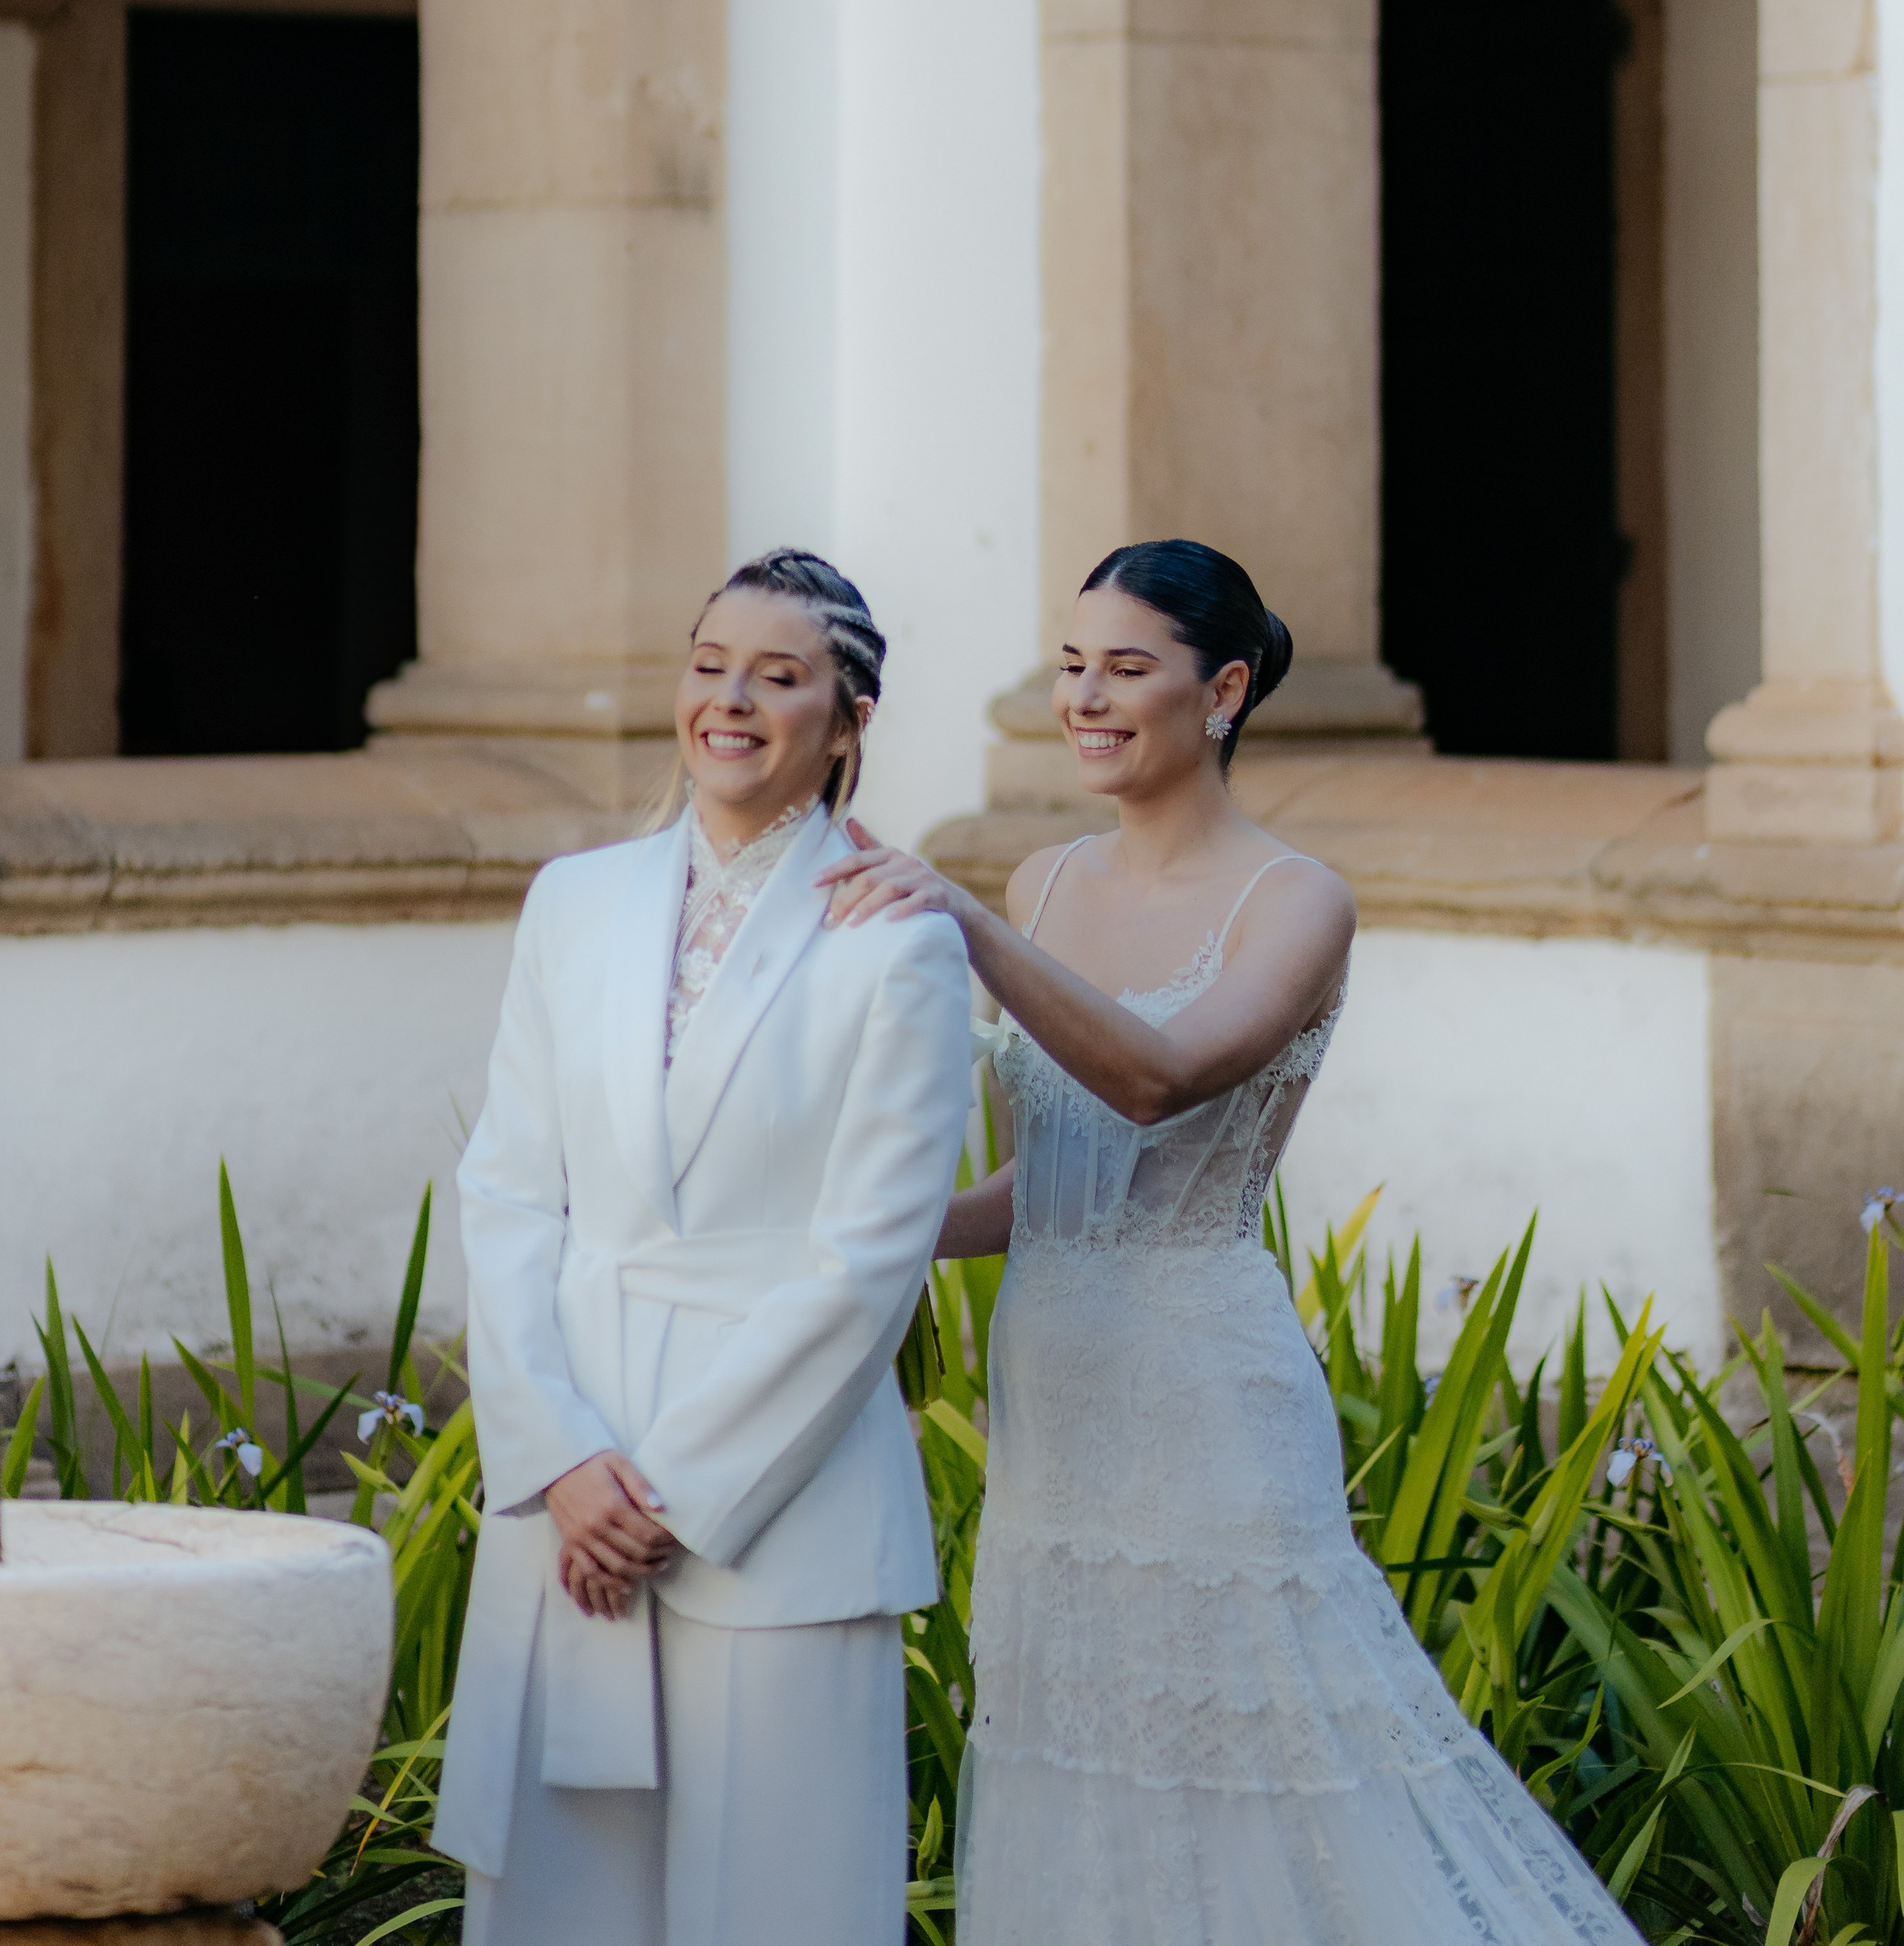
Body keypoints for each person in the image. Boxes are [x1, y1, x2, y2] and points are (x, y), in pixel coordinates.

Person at [820, 537, 1642, 1946]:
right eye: (1072, 665)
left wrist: (957, 919)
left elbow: (1157, 1080)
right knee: (1085, 1777)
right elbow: (1057, 1181)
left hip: (1207, 1399)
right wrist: (862, 1232)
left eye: (1126, 668)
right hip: (1055, 1403)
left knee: (1263, 1779)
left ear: (1224, 691)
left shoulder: (1296, 900)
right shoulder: (1044, 885)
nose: (1085, 696)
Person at [436, 548, 975, 1946]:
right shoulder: (575, 899)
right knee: (560, 1900)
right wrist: (557, 1457)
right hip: (568, 1484)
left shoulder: (900, 942)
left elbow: (870, 1260)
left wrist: (671, 1498)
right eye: (709, 663)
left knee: (774, 1902)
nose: (730, 700)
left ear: (847, 722)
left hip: (774, 1506)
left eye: (779, 677)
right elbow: (505, 1191)